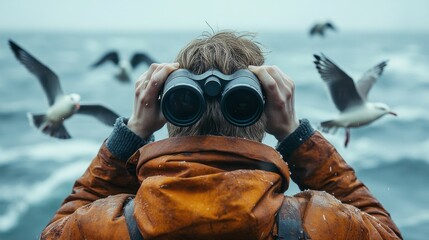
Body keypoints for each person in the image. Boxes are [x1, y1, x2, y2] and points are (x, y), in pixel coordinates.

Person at [40, 31, 402, 240]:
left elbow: (54, 232)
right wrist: (295, 135)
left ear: (160, 107)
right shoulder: (317, 225)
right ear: (269, 108)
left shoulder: (101, 228)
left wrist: (132, 133)